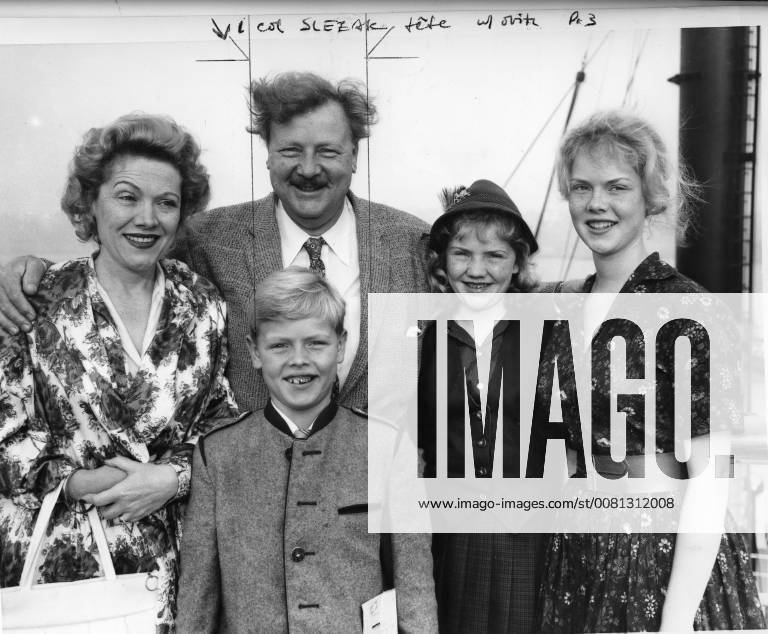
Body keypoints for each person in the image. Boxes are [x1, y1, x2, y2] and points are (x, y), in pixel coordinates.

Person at [0, 71, 431, 412]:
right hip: (249, 499)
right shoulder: (206, 238)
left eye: (328, 152)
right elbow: (121, 260)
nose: (309, 168)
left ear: (355, 155)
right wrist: (30, 271)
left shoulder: (411, 242)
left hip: (377, 498)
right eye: (291, 150)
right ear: (266, 152)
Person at [0, 113, 238, 631]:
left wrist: (172, 479)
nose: (147, 218)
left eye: (166, 202)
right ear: (91, 202)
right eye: (128, 197)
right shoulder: (35, 299)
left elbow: (224, 429)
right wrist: (83, 483)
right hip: (58, 570)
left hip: (176, 569)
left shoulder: (203, 305)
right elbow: (5, 432)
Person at [537, 111, 766, 632]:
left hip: (661, 566)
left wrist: (677, 621)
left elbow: (711, 481)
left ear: (651, 196)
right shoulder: (562, 309)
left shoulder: (687, 309)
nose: (597, 204)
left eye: (617, 186)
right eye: (581, 187)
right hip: (575, 557)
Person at [176, 267, 438, 633]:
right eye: (280, 345)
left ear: (341, 346)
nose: (298, 359)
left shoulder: (389, 446)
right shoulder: (218, 454)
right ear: (254, 351)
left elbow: (415, 586)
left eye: (315, 343)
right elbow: (197, 598)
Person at [417, 179, 544, 633]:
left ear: (517, 264)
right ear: (442, 262)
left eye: (494, 255)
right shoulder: (425, 336)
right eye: (462, 254)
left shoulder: (545, 332)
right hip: (449, 532)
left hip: (527, 535)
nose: (477, 269)